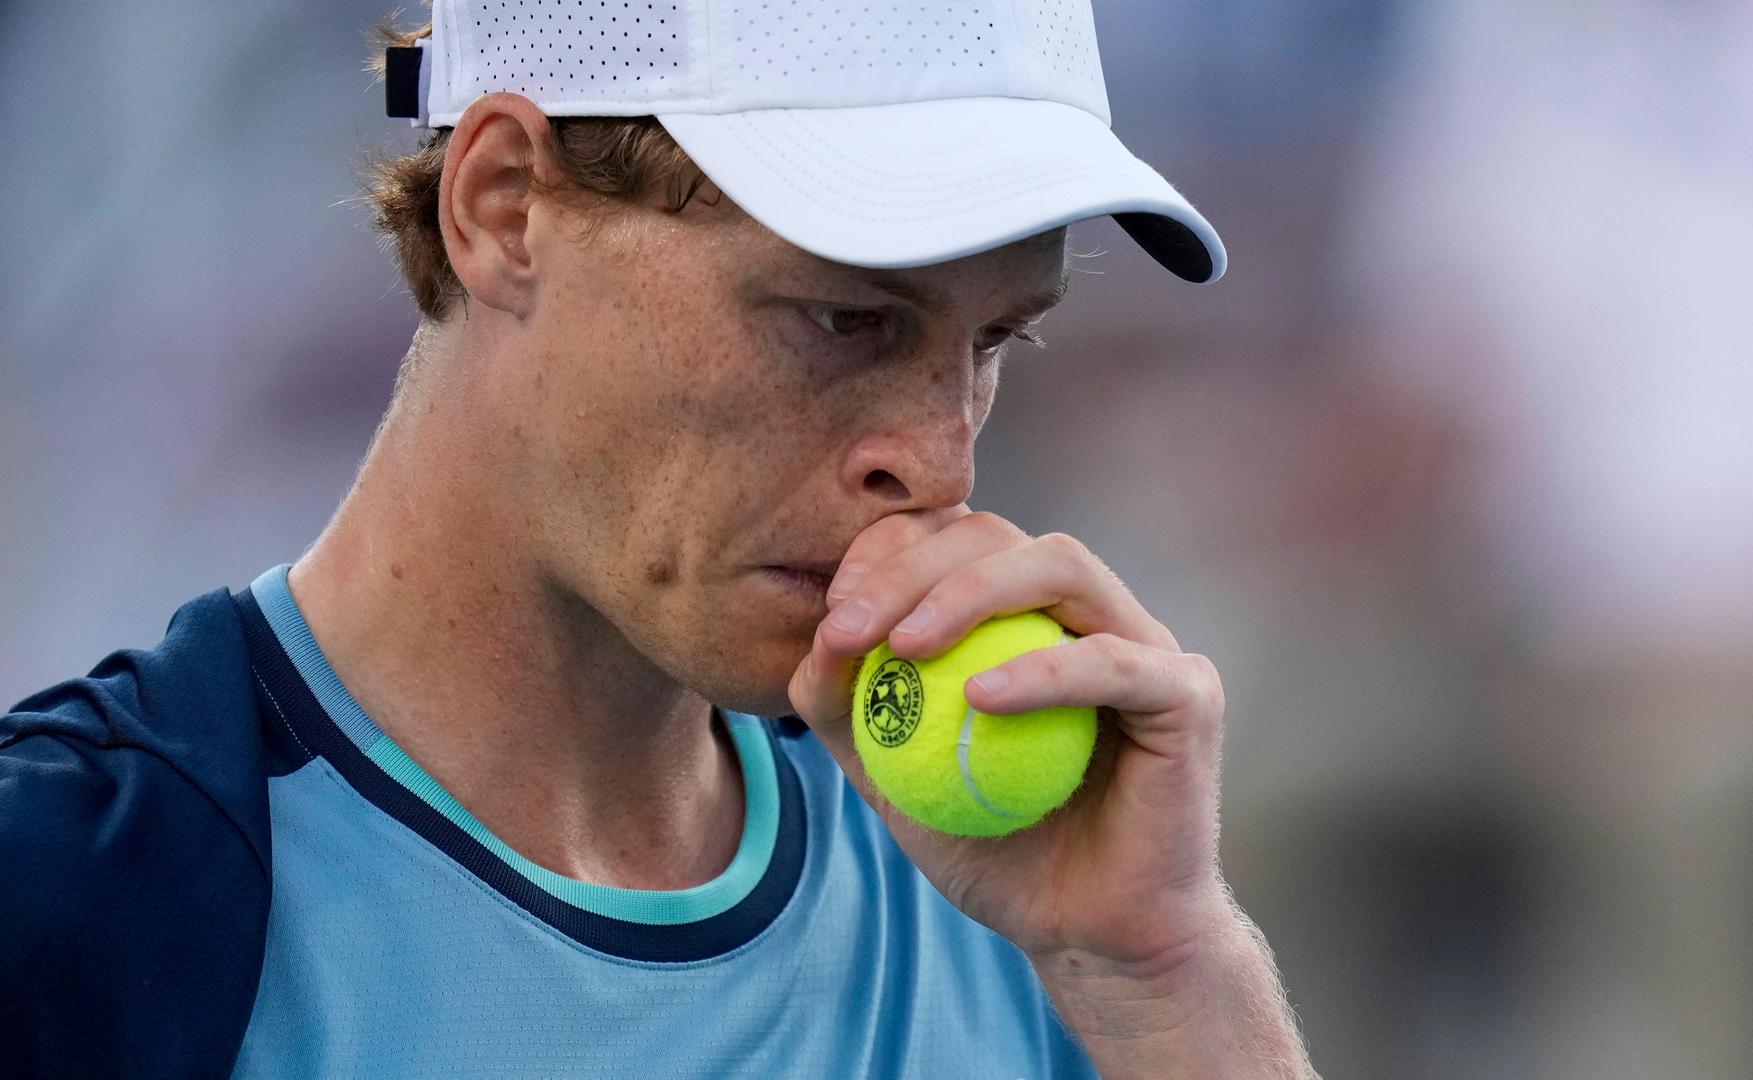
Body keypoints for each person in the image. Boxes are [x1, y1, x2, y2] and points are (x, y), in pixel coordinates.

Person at [0, 0, 1315, 1076]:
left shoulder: (1036, 910)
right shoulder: (68, 897)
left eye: (990, 344)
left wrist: (1170, 981)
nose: (936, 458)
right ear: (504, 205)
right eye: (843, 320)